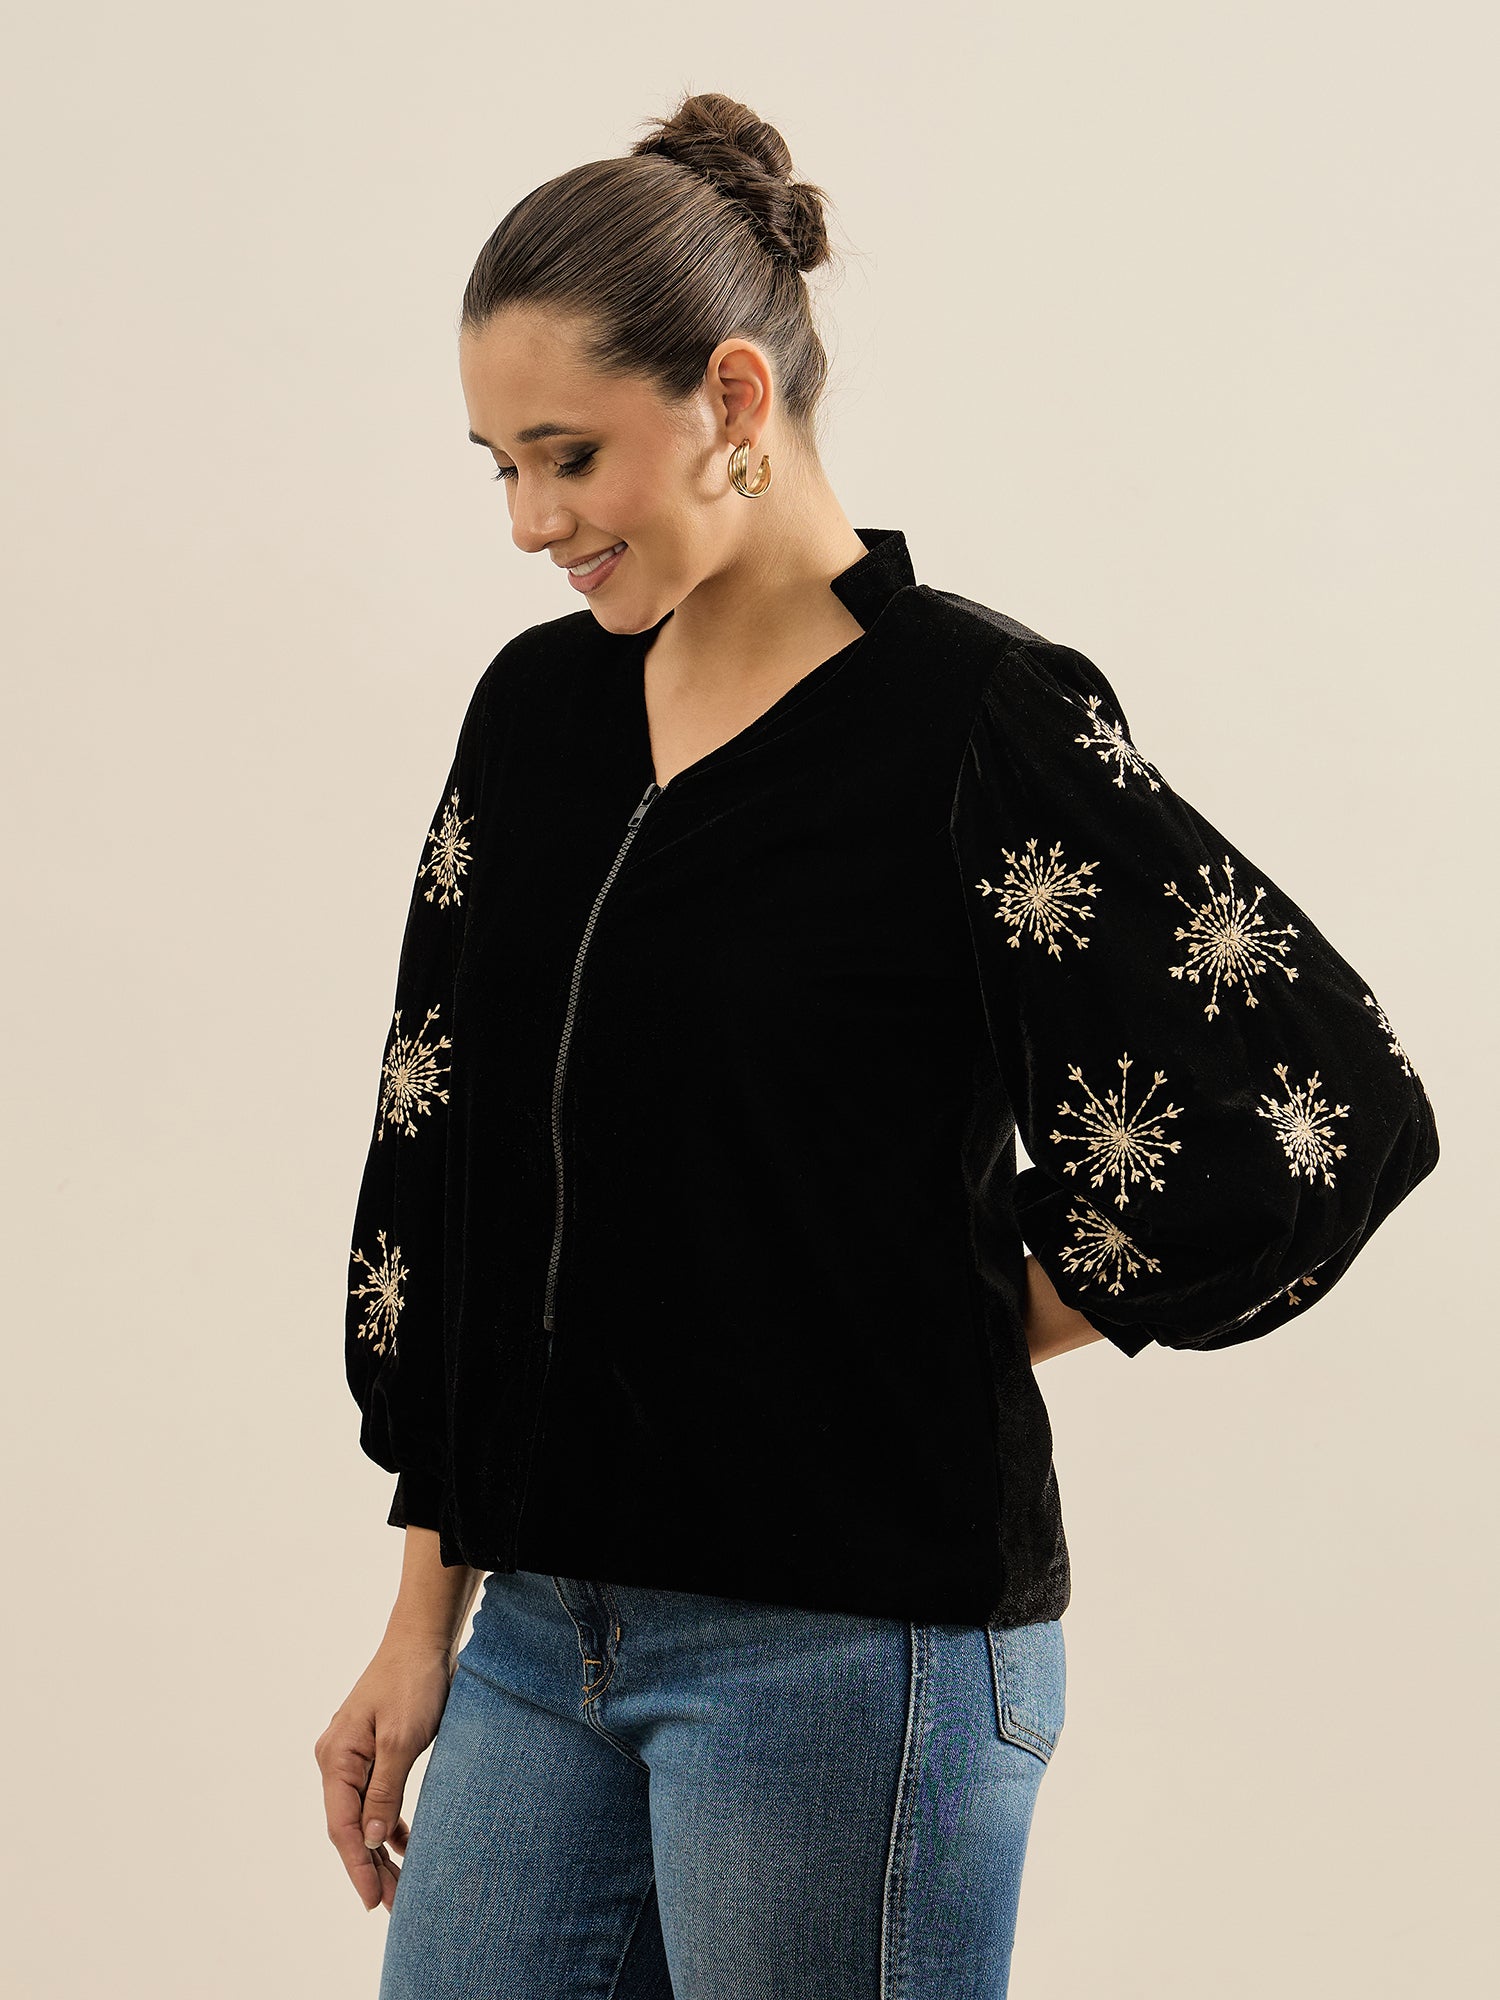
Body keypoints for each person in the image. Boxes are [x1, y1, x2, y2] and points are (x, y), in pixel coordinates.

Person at [313, 90, 1440, 2000]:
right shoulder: (536, 720)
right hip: (541, 1639)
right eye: (499, 465)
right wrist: (423, 1615)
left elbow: (1324, 1111)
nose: (528, 522)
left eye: (569, 456)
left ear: (733, 397)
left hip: (849, 1650)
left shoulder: (973, 721)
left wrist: (957, 1312)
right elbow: (452, 1168)